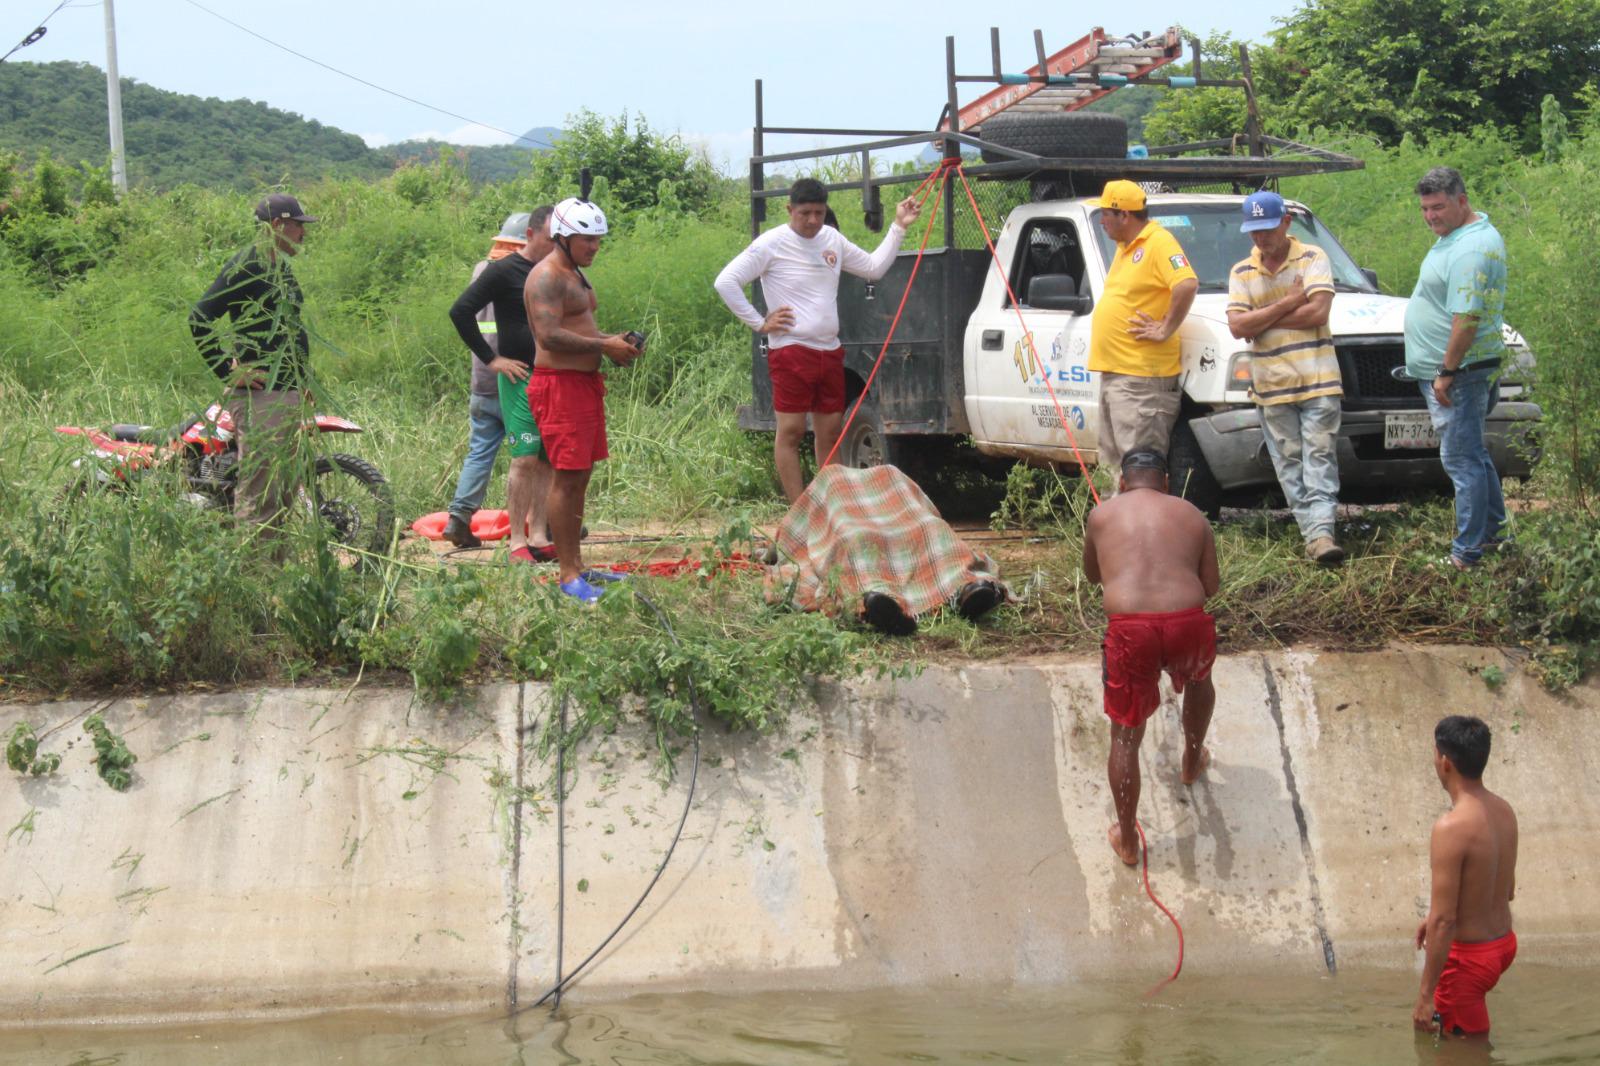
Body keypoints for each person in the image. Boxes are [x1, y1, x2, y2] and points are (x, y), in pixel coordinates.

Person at [713, 178, 921, 502]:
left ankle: (830, 507)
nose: (812, 220)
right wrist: (759, 322)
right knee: (792, 431)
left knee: (831, 433)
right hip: (792, 350)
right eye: (805, 213)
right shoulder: (771, 243)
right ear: (790, 210)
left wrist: (898, 227)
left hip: (829, 350)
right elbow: (726, 281)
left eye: (819, 213)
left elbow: (873, 268)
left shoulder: (831, 239)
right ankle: (800, 510)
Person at [1081, 449, 1219, 867]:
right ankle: (1192, 759)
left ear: (1122, 482)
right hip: (1187, 623)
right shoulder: (1192, 514)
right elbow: (1211, 586)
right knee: (1199, 681)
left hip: (1130, 630)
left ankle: (1127, 839)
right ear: (1166, 483)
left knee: (1125, 734)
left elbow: (1093, 576)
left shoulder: (1101, 515)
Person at [524, 197, 642, 603]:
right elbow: (548, 335)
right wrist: (603, 346)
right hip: (558, 386)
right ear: (563, 237)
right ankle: (568, 574)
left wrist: (613, 344)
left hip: (583, 386)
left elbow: (580, 327)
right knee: (566, 476)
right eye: (586, 240)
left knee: (580, 477)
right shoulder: (546, 276)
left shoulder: (575, 274)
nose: (594, 248)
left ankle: (577, 563)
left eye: (598, 241)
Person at [1225, 191, 1345, 567]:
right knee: (1289, 462)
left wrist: (1261, 317)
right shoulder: (1241, 271)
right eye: (1254, 232)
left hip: (1319, 378)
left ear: (1286, 222)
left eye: (1267, 229)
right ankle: (1316, 536)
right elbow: (1236, 326)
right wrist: (1289, 302)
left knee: (1319, 457)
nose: (1261, 238)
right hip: (1271, 384)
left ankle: (1320, 533)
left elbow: (1318, 312)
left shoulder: (1313, 257)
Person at [189, 192, 317, 542]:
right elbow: (200, 317)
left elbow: (291, 330)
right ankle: (255, 580)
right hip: (261, 398)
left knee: (283, 490)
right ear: (277, 225)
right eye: (297, 226)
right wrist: (228, 371)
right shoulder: (246, 265)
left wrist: (304, 381)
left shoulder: (281, 268)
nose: (303, 234)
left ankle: (276, 577)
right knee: (261, 490)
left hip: (287, 392)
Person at [1404, 167, 1509, 571]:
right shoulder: (1459, 237)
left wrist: (1446, 371)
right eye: (1425, 208)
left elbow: (1466, 318)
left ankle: (1467, 554)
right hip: (1459, 371)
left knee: (1461, 462)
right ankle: (1495, 535)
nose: (1431, 216)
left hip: (1460, 375)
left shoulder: (1470, 249)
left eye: (1438, 207)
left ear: (1462, 201)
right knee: (1474, 456)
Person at [447, 206, 557, 564]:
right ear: (527, 236)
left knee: (539, 457)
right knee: (522, 458)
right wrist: (492, 359)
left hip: (529, 378)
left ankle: (533, 532)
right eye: (549, 239)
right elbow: (461, 311)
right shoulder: (499, 271)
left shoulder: (553, 270)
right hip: (506, 379)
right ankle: (518, 539)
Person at [1088, 180, 1200, 487]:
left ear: (1124, 215)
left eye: (1106, 214)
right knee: (1115, 465)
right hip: (1117, 374)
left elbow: (1186, 283)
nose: (1102, 221)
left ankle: (1145, 531)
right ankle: (1117, 530)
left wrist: (1165, 327)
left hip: (1142, 380)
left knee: (1141, 467)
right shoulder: (1126, 249)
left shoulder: (1158, 242)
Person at [1413, 715, 1518, 1039]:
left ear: (1445, 762)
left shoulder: (1450, 827)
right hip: (1502, 945)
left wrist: (1426, 995)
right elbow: (1506, 889)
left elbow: (1445, 921)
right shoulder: (1503, 809)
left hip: (1468, 963)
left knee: (1464, 1052)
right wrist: (1433, 917)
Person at [439, 212, 531, 548]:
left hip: (481, 377)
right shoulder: (519, 275)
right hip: (513, 378)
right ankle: (542, 526)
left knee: (480, 452)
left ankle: (459, 519)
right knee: (532, 455)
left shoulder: (481, 269)